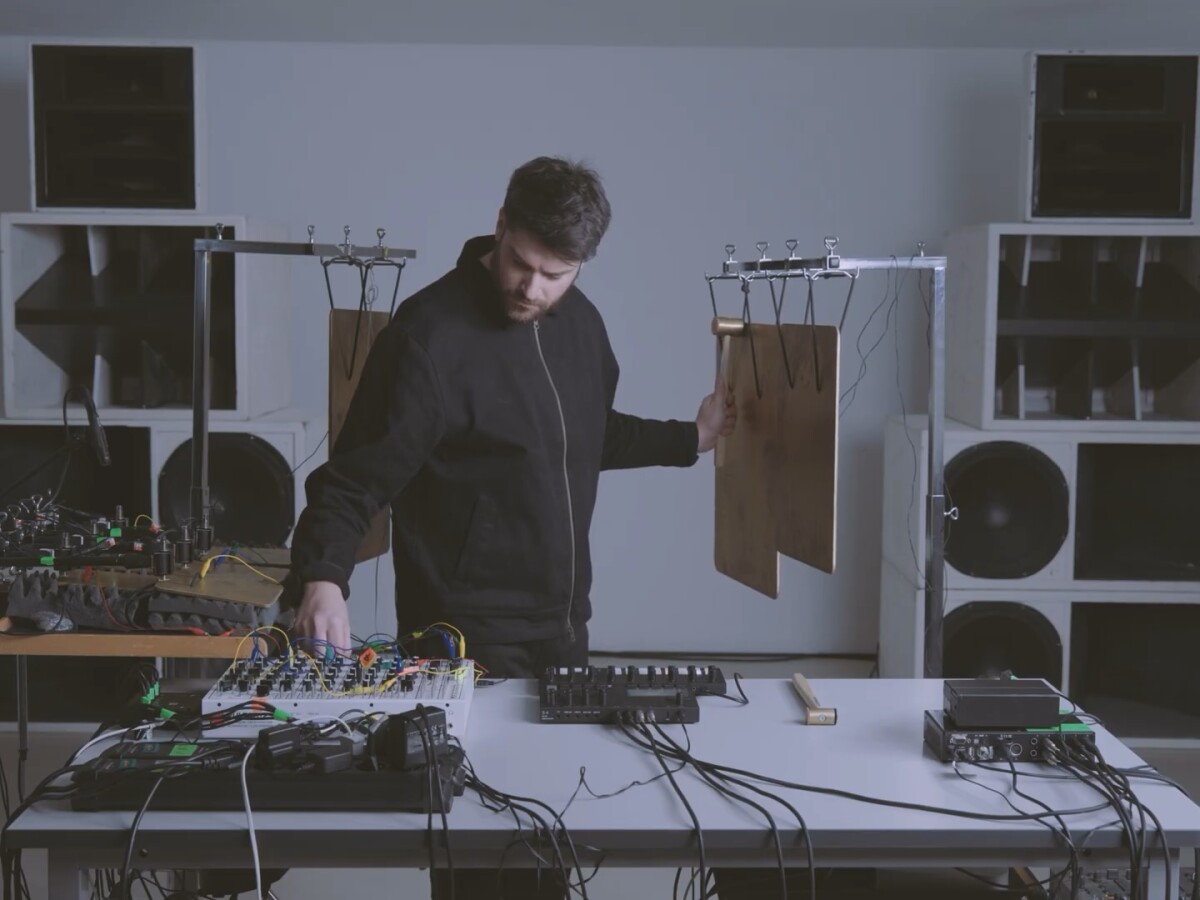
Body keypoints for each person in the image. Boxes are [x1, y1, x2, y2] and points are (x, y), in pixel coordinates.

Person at [287, 155, 736, 898]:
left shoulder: (581, 326)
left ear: (582, 266)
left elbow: (586, 436)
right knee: (478, 858)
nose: (533, 288)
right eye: (524, 264)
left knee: (546, 842)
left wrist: (688, 440)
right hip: (461, 640)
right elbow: (354, 476)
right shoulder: (427, 339)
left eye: (556, 274)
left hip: (562, 632)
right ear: (500, 225)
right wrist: (325, 576)